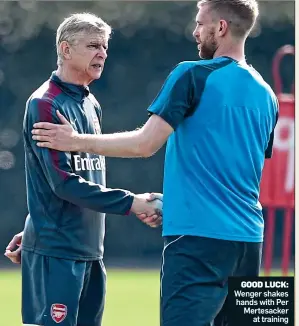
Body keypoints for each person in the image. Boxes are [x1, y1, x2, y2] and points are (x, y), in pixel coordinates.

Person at [29, 1, 279, 325]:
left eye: (201, 23)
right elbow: (237, 170)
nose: (195, 31)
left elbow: (144, 144)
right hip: (250, 242)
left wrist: (75, 141)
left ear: (221, 28)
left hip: (196, 242)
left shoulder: (191, 74)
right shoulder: (267, 95)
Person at [5, 13, 163, 326]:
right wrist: (133, 203)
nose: (102, 52)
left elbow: (78, 175)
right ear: (64, 49)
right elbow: (62, 183)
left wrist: (36, 223)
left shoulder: (92, 104)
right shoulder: (45, 103)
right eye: (92, 45)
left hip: (90, 251)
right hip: (58, 253)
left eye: (104, 46)